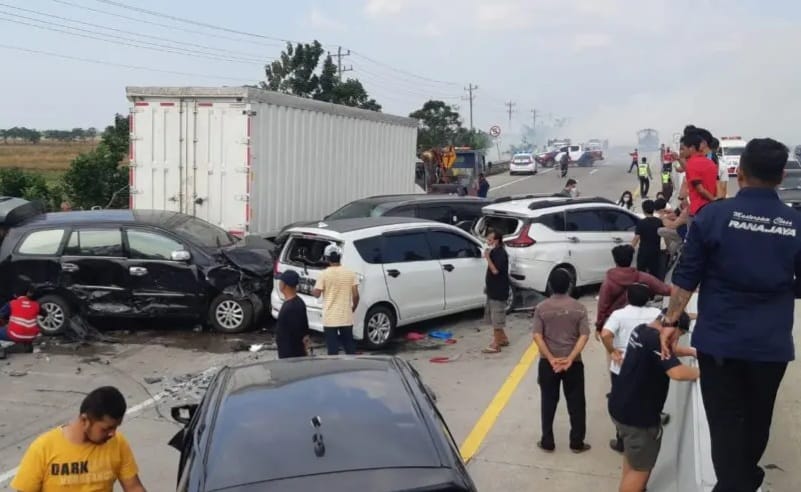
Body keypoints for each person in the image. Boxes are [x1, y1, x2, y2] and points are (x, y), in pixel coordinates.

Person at [660, 138, 800, 492]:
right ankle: (745, 479)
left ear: (741, 174)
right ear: (781, 176)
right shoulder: (795, 223)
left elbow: (686, 277)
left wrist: (671, 322)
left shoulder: (714, 216)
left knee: (723, 426)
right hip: (769, 346)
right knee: (756, 424)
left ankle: (736, 483)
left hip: (720, 343)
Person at [610, 310, 698, 492]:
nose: (676, 341)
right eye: (678, 336)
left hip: (620, 407)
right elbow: (677, 373)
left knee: (633, 459)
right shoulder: (656, 340)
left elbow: (667, 351)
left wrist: (690, 352)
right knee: (640, 471)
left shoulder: (642, 330)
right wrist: (706, 373)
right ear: (672, 328)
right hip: (639, 419)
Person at [11, 386, 147, 491]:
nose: (112, 433)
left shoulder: (117, 443)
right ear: (84, 420)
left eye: (116, 427)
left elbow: (134, 488)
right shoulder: (43, 448)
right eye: (106, 428)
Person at [532, 268, 591, 453]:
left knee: (548, 402)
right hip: (573, 363)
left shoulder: (541, 308)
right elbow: (584, 336)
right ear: (570, 286)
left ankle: (547, 441)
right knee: (576, 403)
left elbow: (537, 336)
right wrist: (570, 358)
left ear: (549, 285)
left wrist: (551, 359)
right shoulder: (579, 308)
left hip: (548, 364)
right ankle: (577, 443)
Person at [601, 283, 663, 452]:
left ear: (628, 297)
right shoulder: (656, 314)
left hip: (622, 367)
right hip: (648, 367)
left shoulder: (619, 314)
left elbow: (606, 334)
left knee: (622, 401)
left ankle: (622, 441)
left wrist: (612, 350)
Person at [595, 244, 670, 336]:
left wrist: (599, 326)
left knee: (617, 348)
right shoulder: (643, 277)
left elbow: (602, 305)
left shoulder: (609, 281)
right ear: (631, 259)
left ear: (615, 260)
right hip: (641, 322)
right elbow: (666, 290)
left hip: (615, 322)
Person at [312, 244, 360, 355]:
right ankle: (352, 367)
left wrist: (312, 290)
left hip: (330, 319)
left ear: (327, 258)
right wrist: (353, 308)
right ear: (340, 256)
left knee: (332, 350)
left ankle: (335, 369)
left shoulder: (324, 274)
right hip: (346, 317)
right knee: (349, 347)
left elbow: (317, 294)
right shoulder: (350, 273)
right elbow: (356, 295)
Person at [482, 230, 510, 354]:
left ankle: (496, 344)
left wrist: (487, 258)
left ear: (497, 240)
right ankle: (503, 339)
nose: (488, 242)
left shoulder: (500, 254)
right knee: (493, 316)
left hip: (499, 291)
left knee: (497, 318)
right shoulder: (494, 251)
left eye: (490, 240)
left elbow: (495, 271)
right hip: (492, 289)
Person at [682, 130, 718, 225]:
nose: (682, 151)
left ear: (692, 148)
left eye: (684, 148)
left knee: (692, 238)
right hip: (710, 211)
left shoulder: (692, 164)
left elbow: (700, 189)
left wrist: (713, 201)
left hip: (697, 210)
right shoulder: (711, 163)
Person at [275, 270, 310, 359]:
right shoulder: (299, 301)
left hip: (290, 354)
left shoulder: (290, 308)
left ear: (284, 285)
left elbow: (296, 334)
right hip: (294, 353)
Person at [0, 282, 41, 355]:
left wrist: (4, 324)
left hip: (15, 335)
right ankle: (28, 346)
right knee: (27, 326)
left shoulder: (12, 303)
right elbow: (45, 314)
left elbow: (1, 315)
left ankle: (0, 352)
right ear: (28, 293)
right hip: (32, 335)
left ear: (15, 295)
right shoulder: (36, 304)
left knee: (16, 329)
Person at [632, 200, 664, 279]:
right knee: (654, 274)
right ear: (653, 209)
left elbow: (636, 238)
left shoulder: (641, 223)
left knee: (641, 274)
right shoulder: (659, 222)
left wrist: (630, 248)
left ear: (643, 210)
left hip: (644, 252)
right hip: (655, 252)